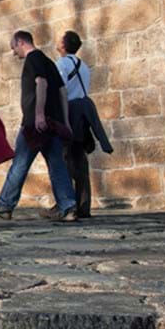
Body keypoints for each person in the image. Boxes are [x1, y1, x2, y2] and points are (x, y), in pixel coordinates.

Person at [0, 31, 79, 222]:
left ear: (20, 42)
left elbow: (41, 83)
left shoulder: (33, 59)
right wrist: (65, 122)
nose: (14, 53)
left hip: (36, 123)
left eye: (14, 48)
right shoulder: (48, 61)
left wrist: (39, 114)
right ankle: (68, 207)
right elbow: (62, 92)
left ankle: (5, 205)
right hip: (54, 123)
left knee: (20, 164)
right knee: (57, 164)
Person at [55, 30, 113, 218]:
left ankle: (66, 203)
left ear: (63, 45)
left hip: (69, 111)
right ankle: (83, 204)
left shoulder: (62, 64)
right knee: (80, 159)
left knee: (64, 158)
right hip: (83, 112)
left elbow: (60, 90)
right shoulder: (84, 66)